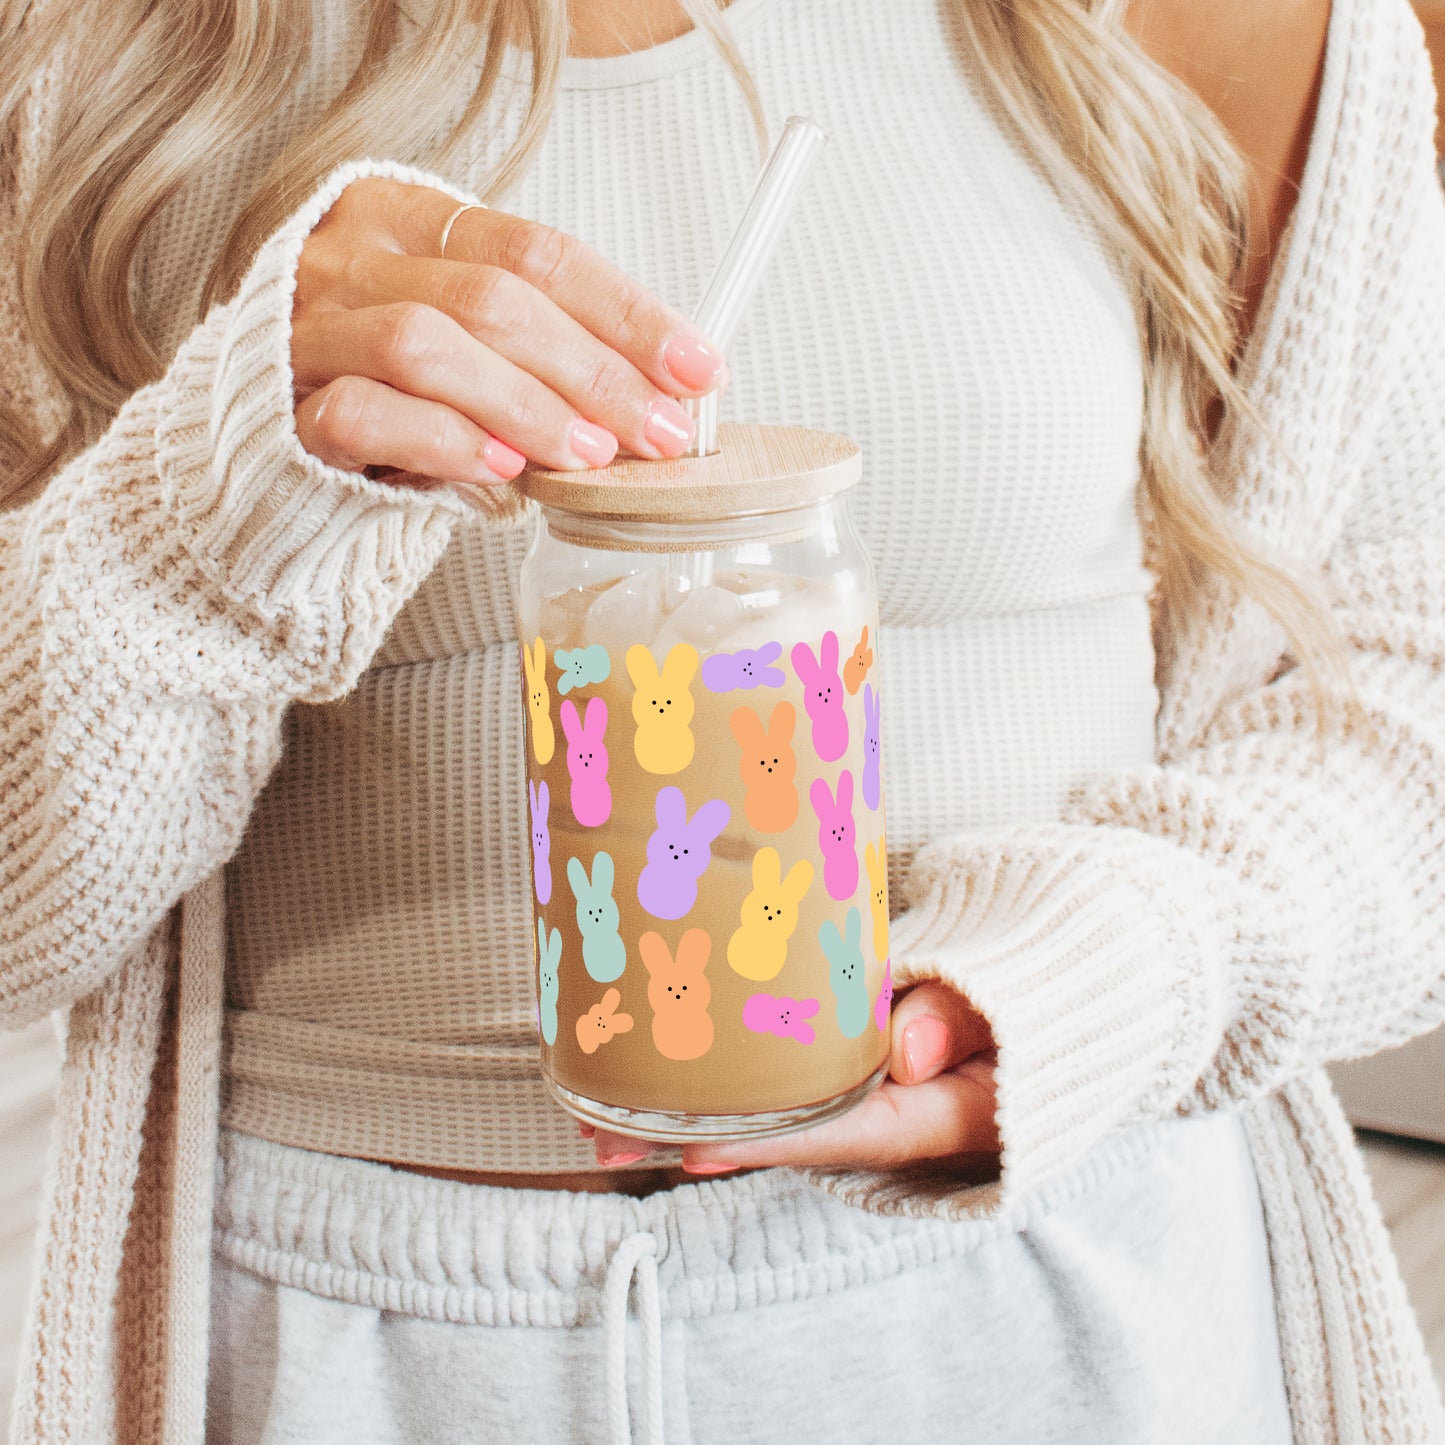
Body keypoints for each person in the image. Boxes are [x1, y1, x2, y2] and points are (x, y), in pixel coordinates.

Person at [2, 0, 1442, 1440]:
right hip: (355, 1353)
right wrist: (206, 506)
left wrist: (1106, 967)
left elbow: (1410, 695)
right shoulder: (90, 60)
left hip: (1066, 1307)